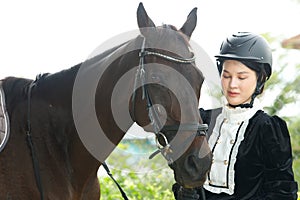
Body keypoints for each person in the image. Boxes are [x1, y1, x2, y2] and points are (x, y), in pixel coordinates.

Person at [173, 32, 298, 200]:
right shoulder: (203, 121)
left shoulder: (268, 129)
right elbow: (184, 173)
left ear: (260, 78)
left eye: (241, 77)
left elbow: (282, 193)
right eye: (226, 76)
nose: (232, 85)